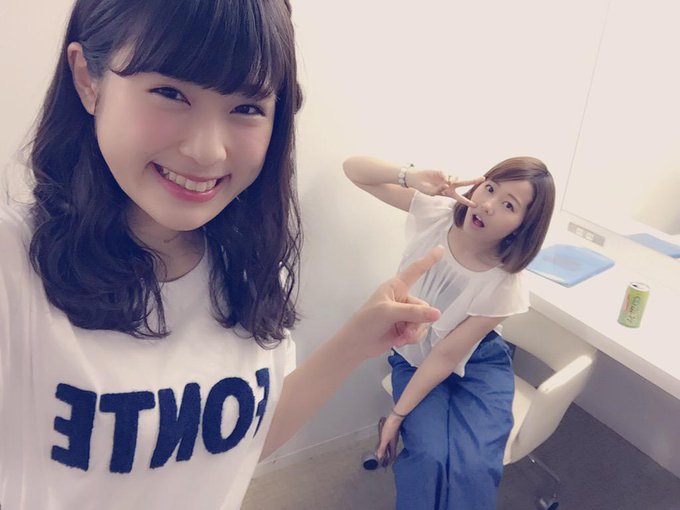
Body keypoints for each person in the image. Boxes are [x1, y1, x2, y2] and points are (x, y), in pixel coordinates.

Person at [0, 2, 445, 509]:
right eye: (170, 93)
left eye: (247, 108)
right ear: (87, 79)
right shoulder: (15, 262)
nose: (208, 150)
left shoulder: (247, 264)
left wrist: (356, 339)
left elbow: (237, 444)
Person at [344, 155, 555, 509]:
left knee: (473, 465)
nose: (487, 205)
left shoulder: (507, 281)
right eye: (490, 188)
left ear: (523, 225)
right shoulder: (436, 214)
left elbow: (448, 354)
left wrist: (396, 415)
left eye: (509, 205)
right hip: (414, 356)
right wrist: (411, 175)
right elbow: (353, 170)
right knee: (429, 457)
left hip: (480, 359)